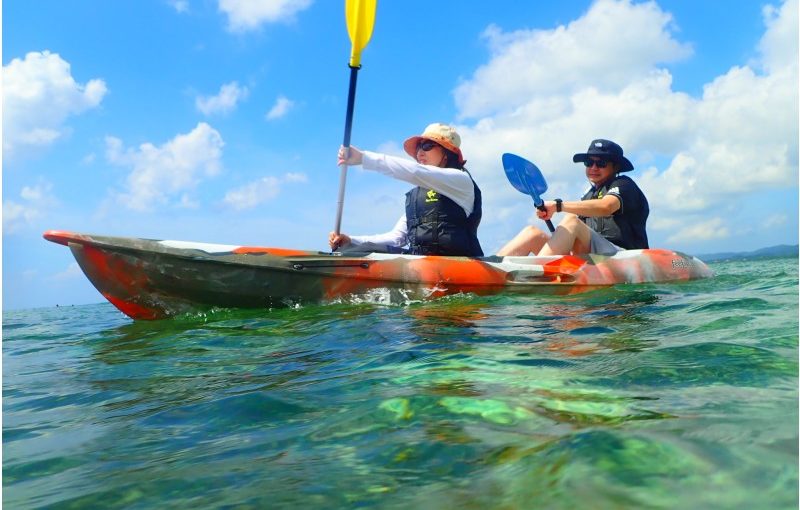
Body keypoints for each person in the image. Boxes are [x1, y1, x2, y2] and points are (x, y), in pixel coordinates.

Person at [329, 123, 484, 256]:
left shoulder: (461, 180)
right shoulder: (418, 195)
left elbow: (416, 172)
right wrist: (351, 240)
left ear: (446, 153)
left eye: (427, 146)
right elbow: (397, 238)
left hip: (458, 264)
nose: (420, 153)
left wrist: (363, 158)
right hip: (420, 265)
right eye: (418, 148)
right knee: (350, 249)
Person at [498, 139, 649, 257]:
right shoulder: (587, 196)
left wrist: (558, 206)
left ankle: (538, 274)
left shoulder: (624, 184)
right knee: (532, 232)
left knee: (571, 220)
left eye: (601, 163)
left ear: (615, 167)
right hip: (591, 257)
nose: (594, 167)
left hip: (623, 256)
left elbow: (606, 206)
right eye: (589, 162)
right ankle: (491, 268)